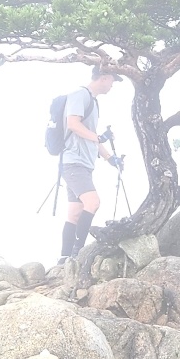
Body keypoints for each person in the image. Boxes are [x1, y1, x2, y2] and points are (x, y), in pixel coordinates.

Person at [60, 66, 122, 262]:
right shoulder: (80, 95)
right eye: (112, 80)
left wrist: (111, 158)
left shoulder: (93, 103)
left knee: (75, 213)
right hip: (73, 162)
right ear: (103, 78)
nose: (113, 85)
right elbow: (73, 124)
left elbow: (92, 138)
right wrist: (100, 137)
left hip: (83, 164)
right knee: (93, 202)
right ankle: (79, 251)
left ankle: (64, 258)